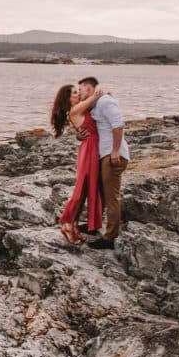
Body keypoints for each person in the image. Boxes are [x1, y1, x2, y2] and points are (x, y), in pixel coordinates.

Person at [77, 76, 130, 249]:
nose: (79, 93)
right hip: (103, 155)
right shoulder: (95, 105)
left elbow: (118, 125)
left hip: (113, 155)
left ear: (90, 88)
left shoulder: (105, 102)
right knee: (98, 192)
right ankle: (94, 226)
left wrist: (115, 151)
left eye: (81, 89)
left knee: (111, 196)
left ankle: (110, 238)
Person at [49, 83, 105, 245]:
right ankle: (67, 224)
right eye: (74, 93)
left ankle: (73, 224)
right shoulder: (74, 110)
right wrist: (97, 91)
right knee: (81, 191)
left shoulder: (78, 108)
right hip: (89, 150)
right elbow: (96, 95)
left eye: (77, 92)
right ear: (67, 98)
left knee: (86, 189)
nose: (78, 94)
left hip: (90, 147)